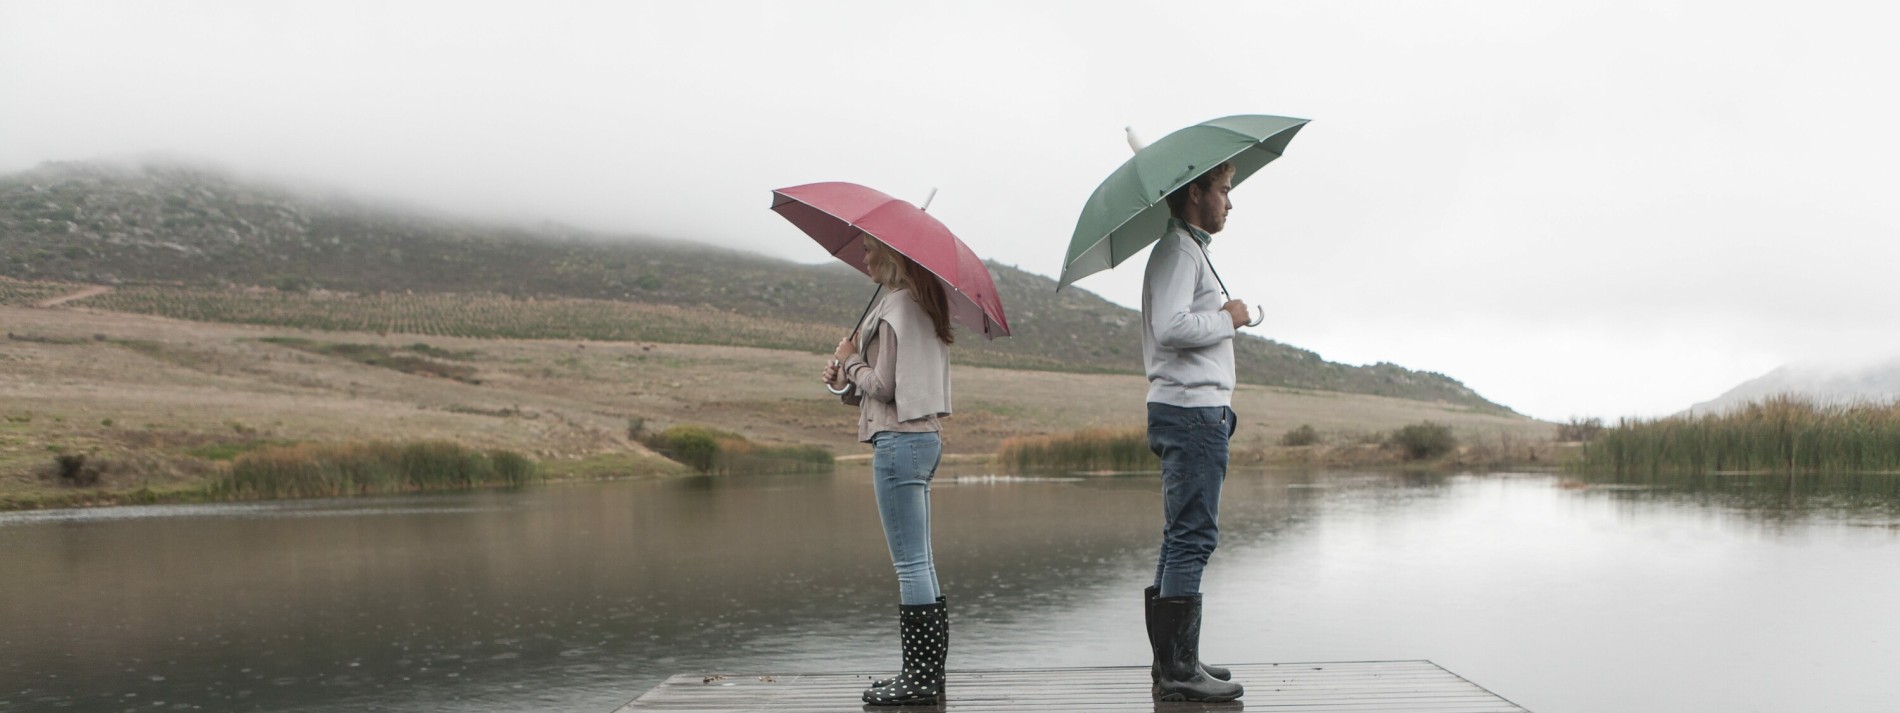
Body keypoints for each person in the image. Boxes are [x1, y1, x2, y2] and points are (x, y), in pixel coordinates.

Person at [820, 236, 955, 707]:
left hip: (898, 443)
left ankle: (918, 679)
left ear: (893, 258)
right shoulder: (923, 306)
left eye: (871, 251)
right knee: (922, 560)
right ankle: (928, 675)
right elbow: (888, 386)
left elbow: (883, 384)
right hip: (924, 438)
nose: (864, 257)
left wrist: (851, 358)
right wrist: (845, 383)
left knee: (910, 563)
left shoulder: (895, 309)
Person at [1139, 161, 1247, 703]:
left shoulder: (1186, 249)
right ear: (1196, 192)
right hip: (1191, 413)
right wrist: (1231, 318)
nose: (1230, 201)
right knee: (1193, 536)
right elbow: (1173, 327)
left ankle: (1174, 664)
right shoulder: (1180, 250)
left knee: (1179, 534)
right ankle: (1179, 670)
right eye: (1224, 190)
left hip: (1188, 410)